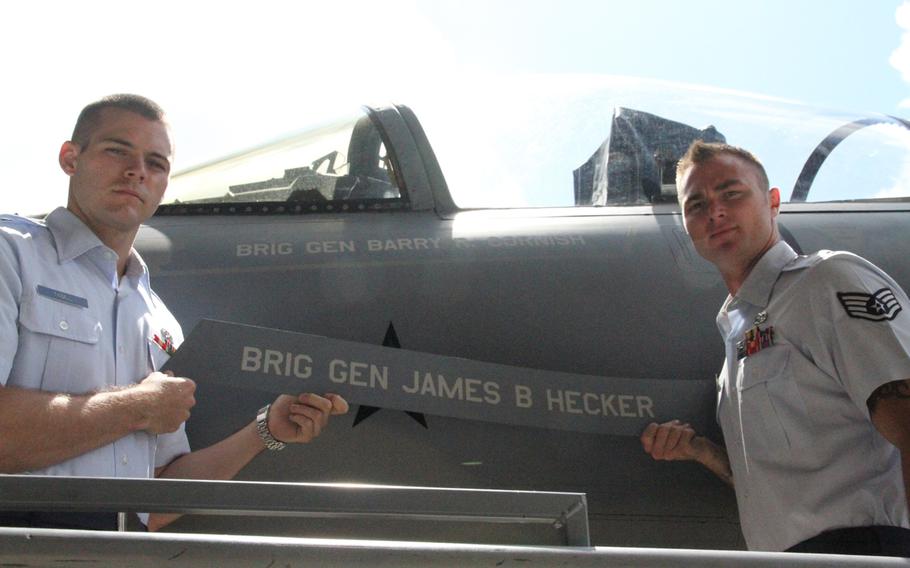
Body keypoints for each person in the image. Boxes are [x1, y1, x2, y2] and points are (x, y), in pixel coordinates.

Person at [0, 94, 349, 531]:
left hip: (110, 555)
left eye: (156, 164)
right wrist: (137, 407)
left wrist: (268, 430)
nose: (136, 171)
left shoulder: (156, 319)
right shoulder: (11, 257)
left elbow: (159, 495)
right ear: (70, 158)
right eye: (116, 151)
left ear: (164, 184)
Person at [640, 140, 910, 556]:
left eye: (732, 194)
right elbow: (781, 488)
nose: (715, 212)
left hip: (867, 551)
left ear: (773, 203)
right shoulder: (736, 339)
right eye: (696, 206)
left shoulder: (826, 281)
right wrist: (701, 452)